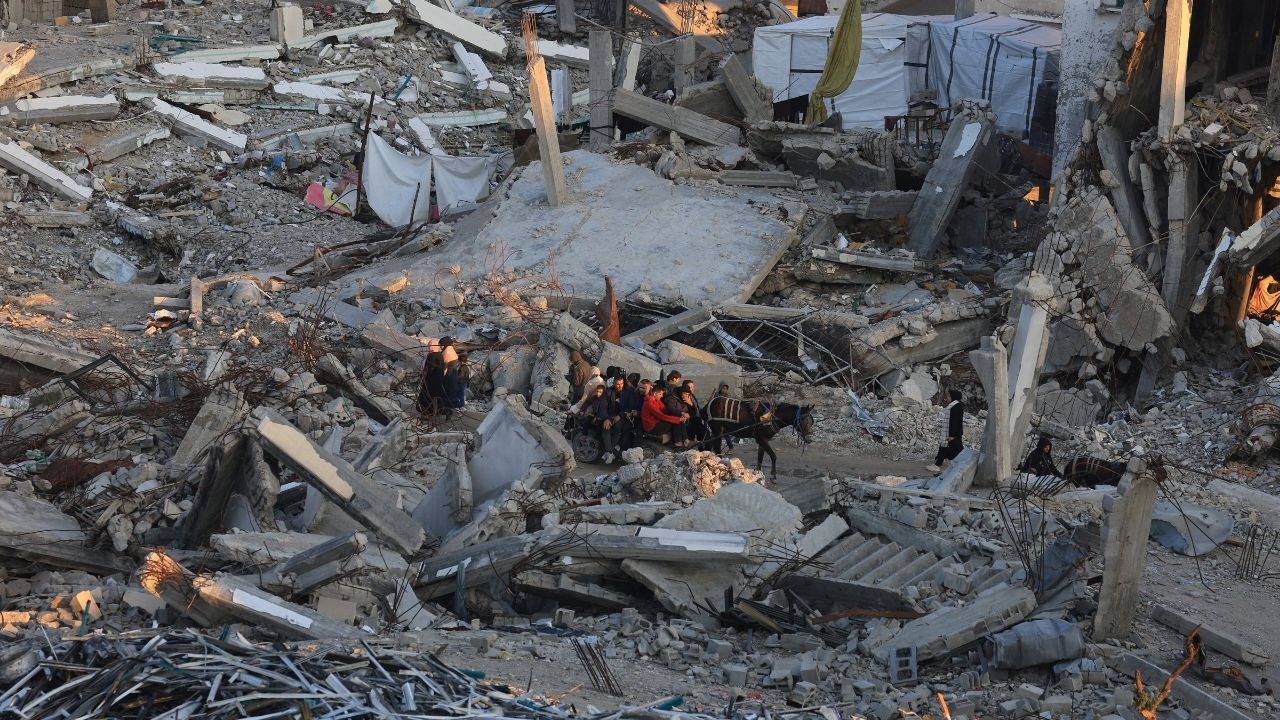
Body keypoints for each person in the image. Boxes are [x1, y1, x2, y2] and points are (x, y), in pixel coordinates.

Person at [927, 389, 964, 472]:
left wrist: (953, 435)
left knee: (947, 447)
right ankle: (943, 460)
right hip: (950, 432)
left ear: (953, 397)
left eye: (948, 396)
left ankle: (938, 464)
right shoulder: (953, 405)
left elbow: (955, 421)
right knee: (956, 449)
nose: (946, 398)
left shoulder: (956, 407)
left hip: (952, 433)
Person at [608, 374, 641, 452]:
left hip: (624, 416)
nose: (620, 386)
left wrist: (620, 415)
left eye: (621, 384)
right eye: (618, 384)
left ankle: (611, 450)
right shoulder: (610, 391)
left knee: (618, 427)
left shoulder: (629, 392)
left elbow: (630, 407)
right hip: (611, 414)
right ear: (614, 383)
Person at [681, 380, 708, 446]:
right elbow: (691, 410)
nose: (693, 388)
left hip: (696, 418)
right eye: (691, 387)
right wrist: (690, 403)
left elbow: (697, 407)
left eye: (693, 386)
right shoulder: (685, 397)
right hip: (690, 420)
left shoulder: (692, 395)